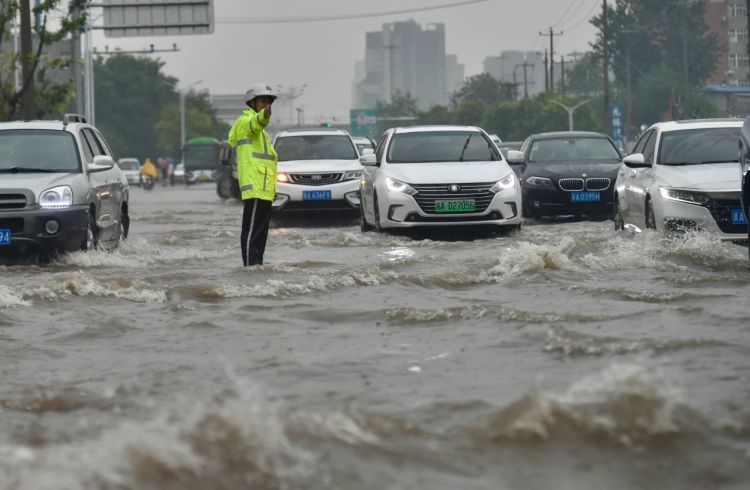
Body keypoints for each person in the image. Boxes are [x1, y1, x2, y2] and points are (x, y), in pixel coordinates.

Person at [228, 84, 278, 266]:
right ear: (252, 103)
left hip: (264, 188)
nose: (266, 105)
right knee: (251, 231)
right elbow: (254, 124)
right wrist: (264, 116)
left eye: (269, 102)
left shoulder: (262, 133)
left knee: (261, 232)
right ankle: (249, 268)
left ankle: (257, 266)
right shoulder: (245, 122)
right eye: (263, 101)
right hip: (255, 185)